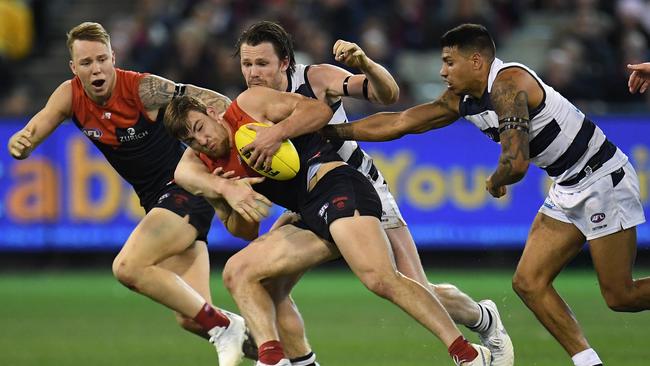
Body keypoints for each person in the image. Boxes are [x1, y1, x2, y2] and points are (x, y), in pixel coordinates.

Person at [323, 23, 649, 366]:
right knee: (529, 283)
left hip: (601, 177)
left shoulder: (509, 84)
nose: (442, 71)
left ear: (477, 61)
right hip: (568, 183)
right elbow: (401, 121)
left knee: (620, 295)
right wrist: (332, 132)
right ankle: (588, 362)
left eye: (450, 62)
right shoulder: (463, 99)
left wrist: (495, 181)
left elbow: (516, 162)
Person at [231, 20, 513, 365]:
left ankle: (482, 318)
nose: (254, 73)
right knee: (270, 284)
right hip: (311, 199)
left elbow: (388, 93)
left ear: (285, 63)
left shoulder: (315, 79)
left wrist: (365, 63)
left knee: (411, 285)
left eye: (262, 64)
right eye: (247, 65)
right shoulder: (251, 104)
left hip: (360, 185)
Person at [164, 91, 492, 366]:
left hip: (337, 186)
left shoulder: (249, 105)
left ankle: (467, 355)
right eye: (190, 139)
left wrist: (275, 133)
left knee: (380, 278)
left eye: (200, 127)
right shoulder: (201, 169)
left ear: (211, 112)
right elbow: (246, 231)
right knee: (238, 271)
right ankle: (273, 360)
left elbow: (318, 110)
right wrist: (224, 197)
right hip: (307, 214)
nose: (202, 140)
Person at [5, 22, 266, 366]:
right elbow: (32, 131)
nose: (96, 68)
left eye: (102, 59)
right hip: (159, 202)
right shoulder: (70, 96)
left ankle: (227, 327)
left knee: (128, 266)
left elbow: (213, 102)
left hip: (185, 188)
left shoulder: (143, 89)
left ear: (113, 57)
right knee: (192, 315)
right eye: (86, 63)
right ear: (74, 68)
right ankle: (279, 354)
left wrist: (237, 142)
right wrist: (19, 143)